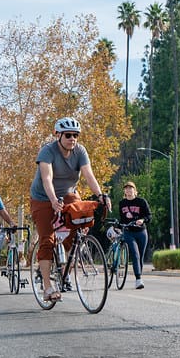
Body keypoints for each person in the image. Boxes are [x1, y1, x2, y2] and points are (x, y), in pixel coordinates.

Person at [29, 117, 111, 302]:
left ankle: (66, 269)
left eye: (75, 135)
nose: (72, 139)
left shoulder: (80, 151)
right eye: (68, 135)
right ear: (58, 135)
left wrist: (100, 196)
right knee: (47, 240)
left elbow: (89, 175)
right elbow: (47, 178)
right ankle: (48, 288)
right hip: (43, 198)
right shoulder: (47, 151)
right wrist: (52, 200)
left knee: (78, 226)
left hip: (68, 194)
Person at [117, 181, 150, 289]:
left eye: (130, 188)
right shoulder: (122, 203)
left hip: (141, 232)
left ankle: (139, 276)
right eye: (126, 188)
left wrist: (142, 220)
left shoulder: (141, 202)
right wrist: (117, 228)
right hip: (128, 232)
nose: (128, 190)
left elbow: (149, 216)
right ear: (124, 191)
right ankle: (138, 279)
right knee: (135, 255)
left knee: (140, 257)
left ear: (135, 191)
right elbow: (122, 219)